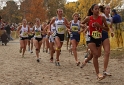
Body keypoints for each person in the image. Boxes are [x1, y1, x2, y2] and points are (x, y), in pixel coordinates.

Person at [81, 4, 109, 80]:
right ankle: (98, 74)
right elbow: (81, 23)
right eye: (95, 9)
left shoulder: (102, 18)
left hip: (98, 38)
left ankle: (85, 60)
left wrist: (100, 26)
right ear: (92, 10)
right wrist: (84, 27)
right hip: (90, 38)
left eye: (98, 9)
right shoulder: (88, 18)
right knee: (96, 55)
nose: (97, 10)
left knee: (96, 55)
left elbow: (107, 29)